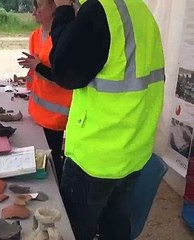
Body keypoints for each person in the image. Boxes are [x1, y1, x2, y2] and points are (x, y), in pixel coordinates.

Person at [22, 0, 165, 238]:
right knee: (115, 228)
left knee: (75, 230)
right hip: (132, 150)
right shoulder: (139, 11)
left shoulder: (101, 10)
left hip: (96, 157)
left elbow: (64, 71)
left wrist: (65, 9)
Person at [18, 0, 72, 183]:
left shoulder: (64, 39)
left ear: (54, 7)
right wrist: (29, 79)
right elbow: (35, 72)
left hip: (56, 117)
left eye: (39, 5)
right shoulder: (34, 36)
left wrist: (38, 67)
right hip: (36, 111)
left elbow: (65, 77)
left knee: (52, 162)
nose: (35, 11)